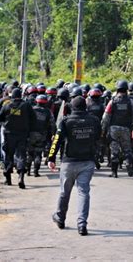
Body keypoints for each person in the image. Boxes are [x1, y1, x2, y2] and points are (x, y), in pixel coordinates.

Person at [48, 96, 101, 236]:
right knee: (83, 192)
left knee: (64, 192)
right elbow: (98, 137)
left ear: (72, 107)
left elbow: (57, 140)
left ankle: (60, 218)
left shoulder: (66, 121)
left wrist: (51, 158)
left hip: (69, 162)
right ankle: (82, 224)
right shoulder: (94, 121)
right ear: (86, 106)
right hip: (87, 162)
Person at [0, 88, 36, 189]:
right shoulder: (26, 105)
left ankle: (8, 178)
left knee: (8, 155)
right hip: (23, 135)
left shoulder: (7, 105)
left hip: (9, 134)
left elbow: (0, 118)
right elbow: (33, 119)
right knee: (21, 156)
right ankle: (21, 177)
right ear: (21, 95)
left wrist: (5, 125)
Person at [101, 80, 133, 178]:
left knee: (114, 150)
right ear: (126, 89)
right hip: (126, 128)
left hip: (113, 129)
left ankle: (114, 172)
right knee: (127, 149)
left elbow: (106, 117)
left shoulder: (112, 101)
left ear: (117, 89)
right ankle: (129, 165)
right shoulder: (131, 102)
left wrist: (103, 129)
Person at [27, 95, 55, 177]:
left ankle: (28, 171)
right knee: (38, 153)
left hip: (30, 134)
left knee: (29, 153)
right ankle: (36, 172)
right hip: (42, 135)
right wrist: (53, 133)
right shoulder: (48, 112)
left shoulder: (31, 109)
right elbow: (52, 124)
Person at [87, 88, 105, 169]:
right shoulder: (102, 105)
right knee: (98, 144)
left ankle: (92, 158)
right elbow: (105, 117)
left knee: (88, 144)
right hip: (98, 127)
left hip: (89, 126)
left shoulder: (87, 104)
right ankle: (96, 157)